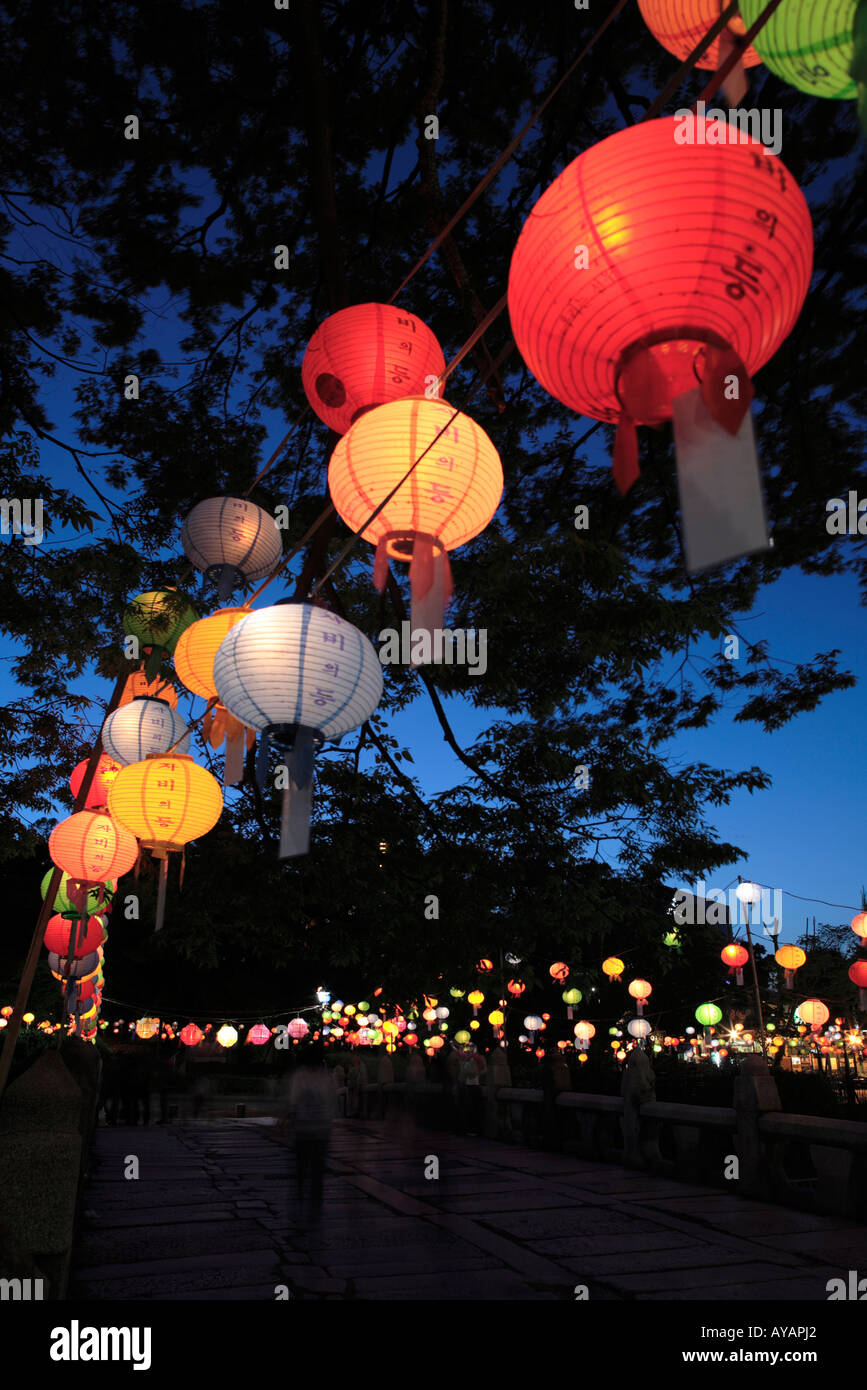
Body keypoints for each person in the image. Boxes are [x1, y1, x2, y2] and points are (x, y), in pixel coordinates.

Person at [288, 1043, 336, 1216]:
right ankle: (315, 1205)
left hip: (303, 1128)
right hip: (322, 1129)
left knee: (301, 1167)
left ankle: (299, 1200)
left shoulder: (300, 1076)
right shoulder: (327, 1077)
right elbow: (332, 1101)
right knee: (317, 1171)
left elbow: (294, 1102)